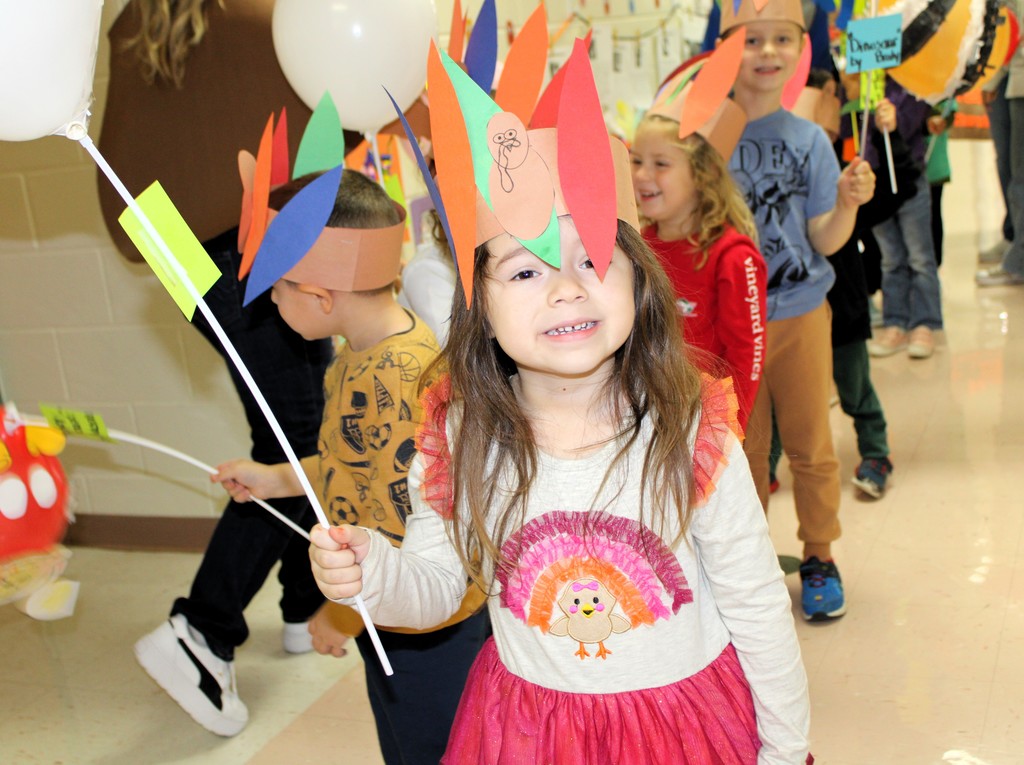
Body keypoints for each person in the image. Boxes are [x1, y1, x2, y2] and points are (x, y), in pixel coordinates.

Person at [309, 44, 812, 764]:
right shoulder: (460, 434)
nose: (565, 288)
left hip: (682, 729)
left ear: (638, 280)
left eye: (593, 257)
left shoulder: (690, 434)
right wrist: (372, 576)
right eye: (523, 269)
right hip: (527, 734)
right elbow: (437, 586)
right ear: (476, 302)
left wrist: (786, 750)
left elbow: (759, 608)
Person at [96, 0, 351, 737]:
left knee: (298, 415)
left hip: (181, 252)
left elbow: (120, 181)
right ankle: (199, 630)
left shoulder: (134, 25)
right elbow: (328, 122)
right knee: (297, 439)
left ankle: (302, 603)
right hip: (255, 241)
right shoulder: (260, 17)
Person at [214, 169, 490, 765]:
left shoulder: (403, 375)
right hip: (379, 611)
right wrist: (277, 478)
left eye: (277, 289)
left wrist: (343, 613)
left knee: (434, 748)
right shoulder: (356, 354)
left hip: (423, 629)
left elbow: (399, 523)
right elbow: (352, 461)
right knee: (400, 740)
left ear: (320, 297)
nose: (271, 302)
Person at [722, 0, 876, 620]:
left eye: (782, 39)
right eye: (752, 39)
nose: (767, 53)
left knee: (813, 444)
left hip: (800, 312)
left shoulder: (810, 138)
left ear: (799, 49)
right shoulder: (707, 136)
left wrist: (847, 204)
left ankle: (819, 554)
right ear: (728, 47)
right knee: (745, 450)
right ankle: (750, 564)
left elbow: (825, 238)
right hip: (732, 321)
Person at [630, 93, 767, 433]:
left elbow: (746, 355)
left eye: (661, 164)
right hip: (648, 417)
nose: (643, 175)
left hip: (707, 423)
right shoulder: (638, 245)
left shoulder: (733, 257)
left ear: (701, 175)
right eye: (636, 161)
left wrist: (729, 430)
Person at [860, 77, 944, 358]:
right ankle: (895, 320)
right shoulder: (866, 76)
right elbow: (854, 126)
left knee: (920, 256)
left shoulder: (915, 75)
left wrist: (896, 120)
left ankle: (925, 322)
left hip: (909, 174)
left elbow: (918, 120)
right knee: (890, 257)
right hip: (876, 176)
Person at [977, 0, 1024, 287]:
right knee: (1009, 167)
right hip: (1009, 75)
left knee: (1019, 176)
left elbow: (1012, 29)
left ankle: (1018, 260)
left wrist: (990, 80)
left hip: (1017, 75)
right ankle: (1013, 239)